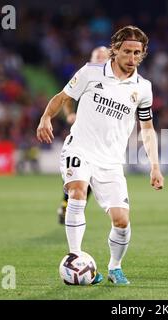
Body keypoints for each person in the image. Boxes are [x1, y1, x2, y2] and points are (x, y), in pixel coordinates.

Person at [37, 26, 164, 285]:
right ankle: (75, 257)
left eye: (137, 53)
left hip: (111, 161)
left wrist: (155, 166)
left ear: (143, 54)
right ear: (115, 50)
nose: (131, 57)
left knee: (122, 220)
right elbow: (63, 97)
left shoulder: (143, 88)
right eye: (126, 51)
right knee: (77, 192)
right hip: (80, 148)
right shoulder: (91, 72)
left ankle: (115, 267)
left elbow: (147, 129)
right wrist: (45, 118)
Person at [57, 46, 110, 224]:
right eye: (98, 57)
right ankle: (68, 206)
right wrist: (70, 114)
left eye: (104, 57)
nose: (101, 60)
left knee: (90, 177)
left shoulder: (117, 80)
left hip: (105, 140)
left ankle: (71, 206)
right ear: (91, 58)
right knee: (78, 173)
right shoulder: (86, 75)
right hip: (84, 134)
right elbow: (67, 96)